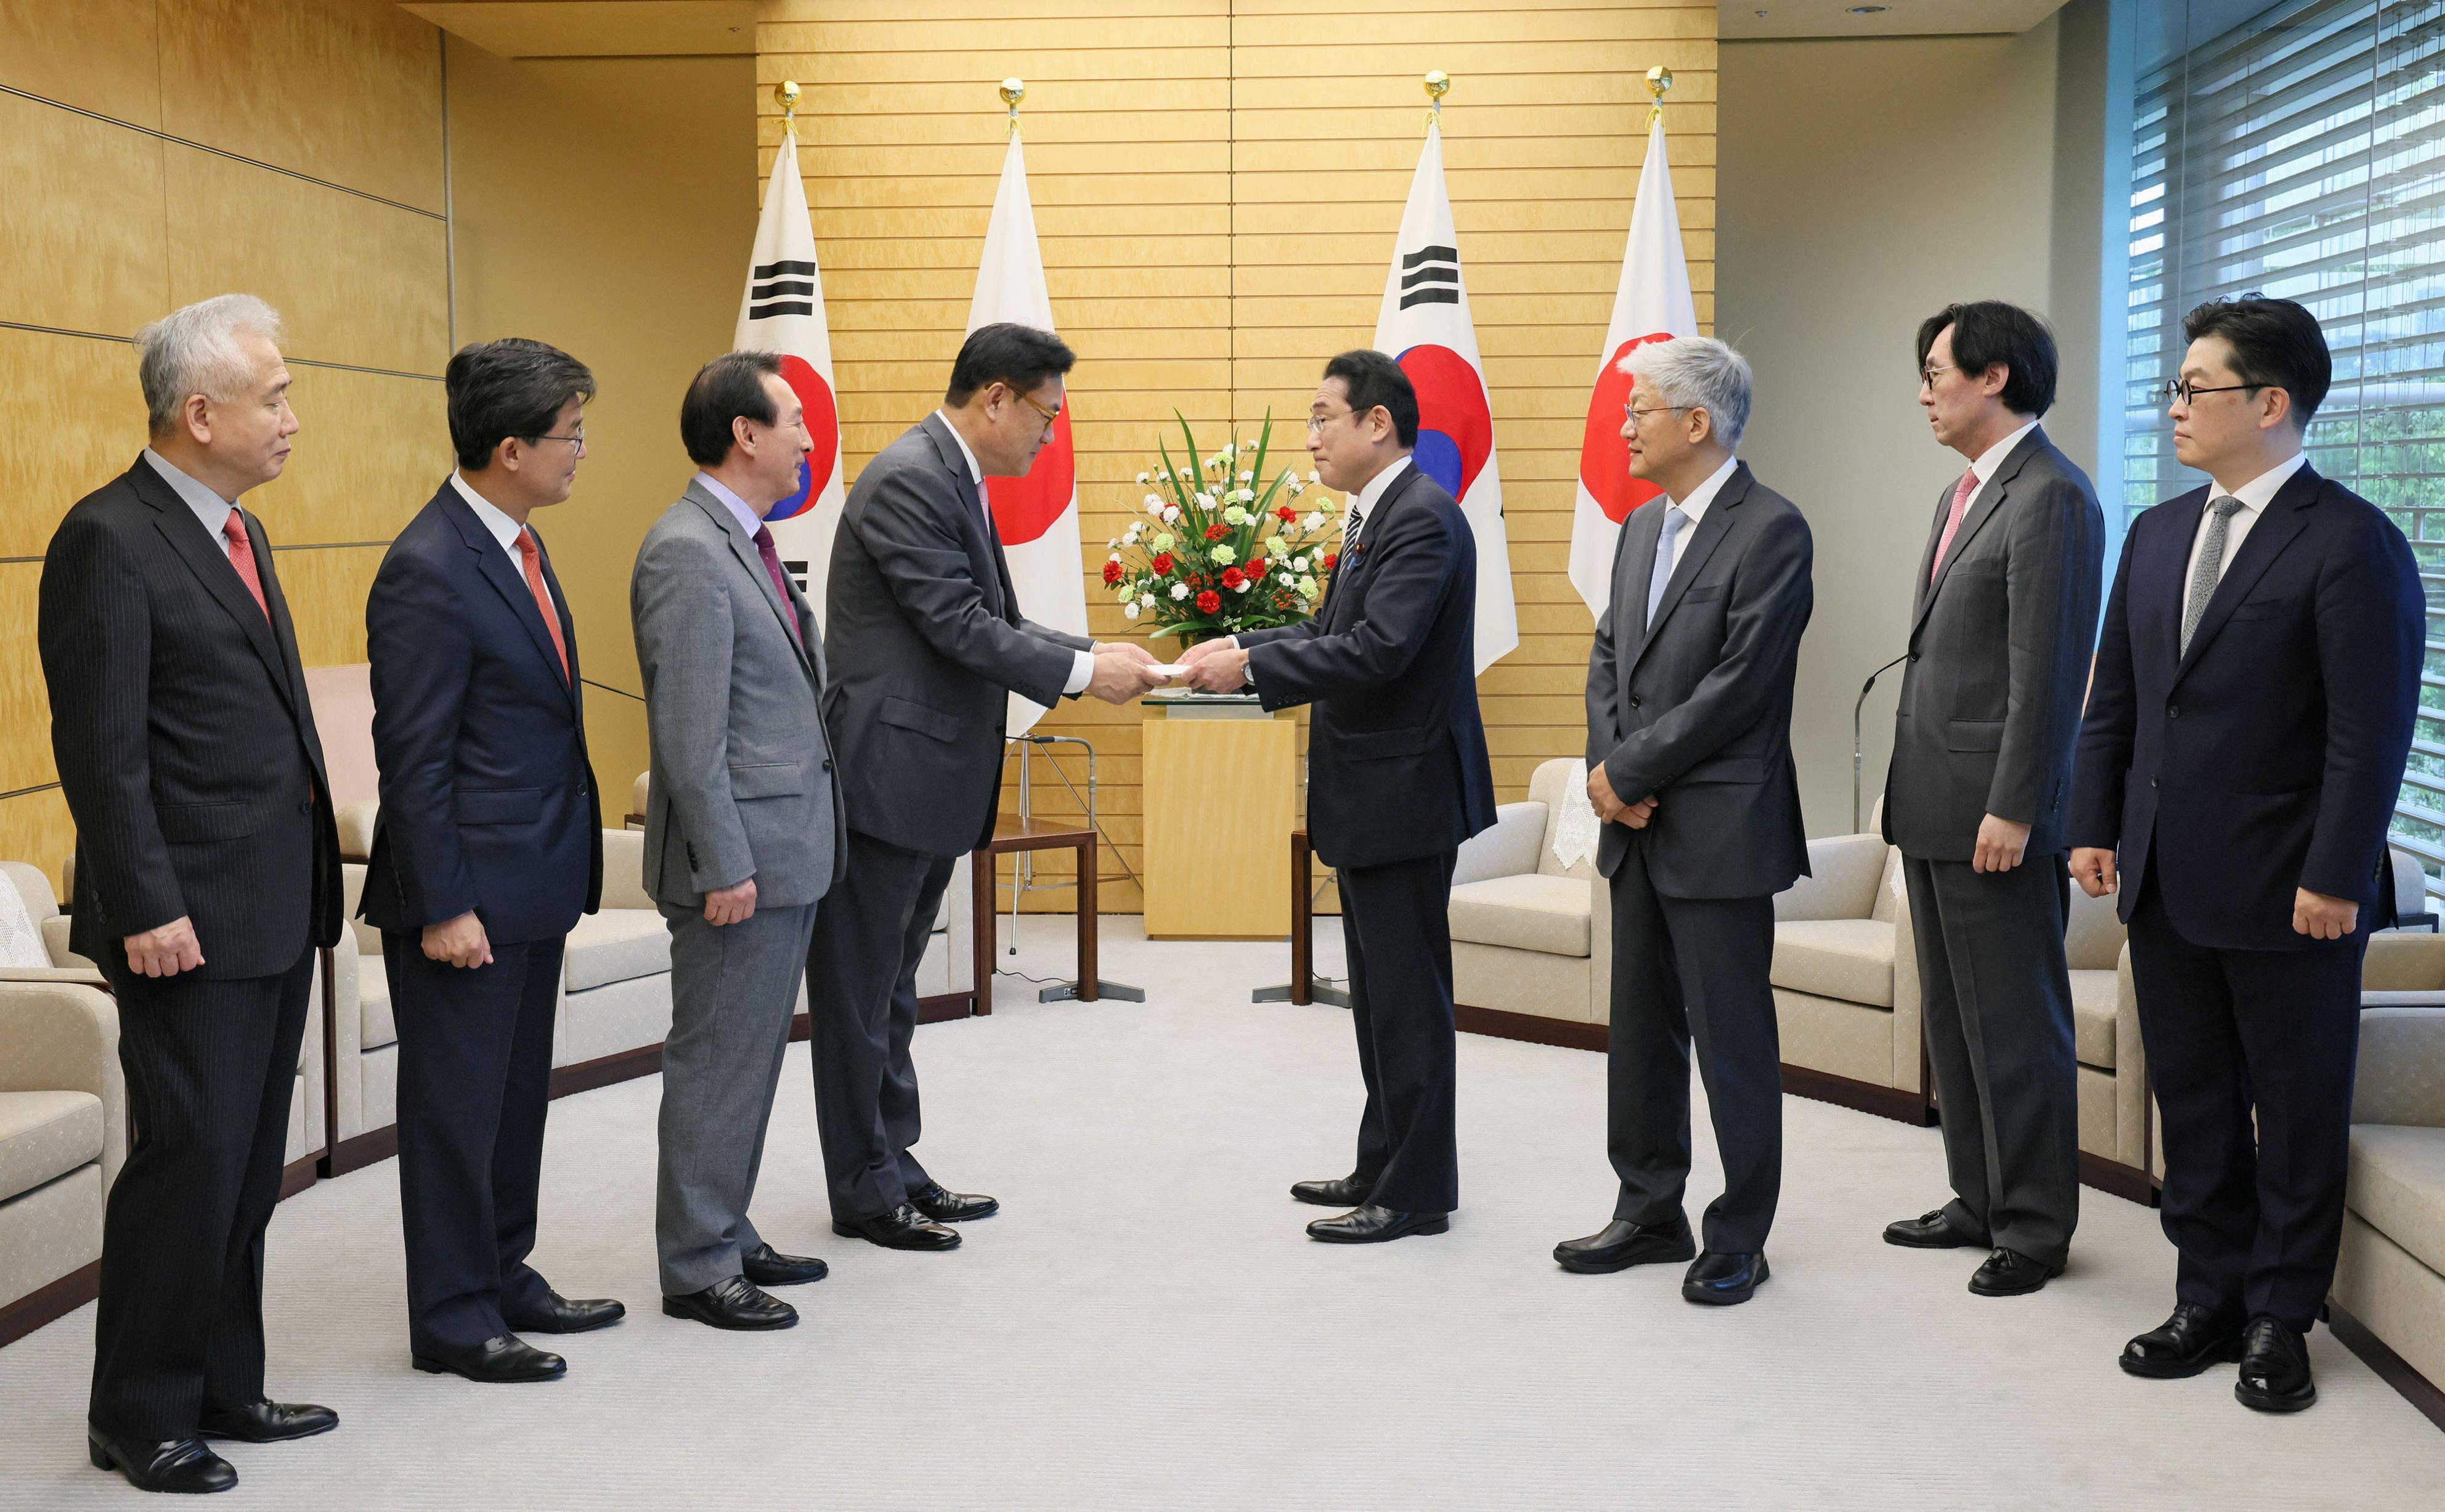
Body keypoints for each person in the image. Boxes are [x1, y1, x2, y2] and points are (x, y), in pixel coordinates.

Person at [2072, 296, 2420, 1413]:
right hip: (2166, 876)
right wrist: (2093, 821)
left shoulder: (2351, 539)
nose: (2174, 405)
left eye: (2195, 388)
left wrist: (2335, 872)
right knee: (2200, 1100)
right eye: (2175, 386)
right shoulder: (2160, 530)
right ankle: (2206, 1293)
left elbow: (2372, 732)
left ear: (2270, 404)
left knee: (2295, 1104)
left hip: (2291, 890)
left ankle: (2281, 1313)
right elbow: (2116, 698)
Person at [40, 295, 341, 1494]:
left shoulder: (238, 534)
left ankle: (227, 1380)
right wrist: (147, 902)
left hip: (268, 904)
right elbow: (101, 751)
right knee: (190, 1160)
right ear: (199, 411)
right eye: (274, 398)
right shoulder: (108, 538)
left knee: (245, 1159)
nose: (293, 420)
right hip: (183, 921)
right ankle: (140, 1413)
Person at [813, 323, 1160, 1251]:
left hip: (930, 773)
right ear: (996, 398)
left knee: (892, 985)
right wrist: (1088, 676)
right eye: (1047, 412)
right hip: (889, 772)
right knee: (859, 987)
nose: (1052, 434)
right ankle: (862, 1185)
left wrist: (1093, 651)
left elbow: (995, 620)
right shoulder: (911, 478)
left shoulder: (948, 474)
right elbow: (960, 627)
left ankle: (896, 1159)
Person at [1179, 349, 1495, 1244]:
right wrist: (1238, 647)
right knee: (1378, 993)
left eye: (1324, 417)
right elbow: (1330, 633)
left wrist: (1254, 666)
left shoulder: (1423, 520)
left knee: (1407, 996)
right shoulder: (1373, 517)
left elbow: (1379, 650)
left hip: (1406, 793)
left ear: (1378, 424)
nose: (1310, 435)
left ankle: (1419, 1189)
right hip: (1373, 794)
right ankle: (1383, 1159)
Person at [361, 338, 624, 1383]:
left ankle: (505, 1269)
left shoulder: (518, 541)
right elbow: (414, 760)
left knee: (516, 1102)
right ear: (509, 447)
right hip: (464, 898)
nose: (582, 451)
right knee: (454, 1113)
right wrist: (444, 903)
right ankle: (454, 1313)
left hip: (534, 881)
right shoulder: (427, 567)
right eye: (570, 434)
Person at [1553, 336, 1811, 1305]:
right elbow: (1607, 658)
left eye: (1639, 411)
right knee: (1641, 1032)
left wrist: (1633, 767)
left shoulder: (1773, 529)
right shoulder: (1635, 529)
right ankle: (1648, 1207)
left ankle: (1740, 1232)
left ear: (1696, 422)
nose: (1623, 426)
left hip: (1719, 827)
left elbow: (1740, 685)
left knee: (1732, 1037)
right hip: (1637, 822)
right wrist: (1607, 771)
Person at [1879, 302, 2104, 1296]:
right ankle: (1977, 1196)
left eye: (1938, 370)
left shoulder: (2053, 496)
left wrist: (2017, 807)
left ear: (1997, 375)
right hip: (1933, 803)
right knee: (1954, 1020)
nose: (1925, 390)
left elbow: (2048, 675)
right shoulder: (1961, 494)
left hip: (1995, 816)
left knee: (2015, 1025)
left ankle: (2036, 1222)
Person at [633, 351, 845, 1328]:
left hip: (783, 850)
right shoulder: (687, 549)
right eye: (794, 420)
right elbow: (689, 736)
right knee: (718, 1059)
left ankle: (726, 1223)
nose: (809, 438)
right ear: (744, 434)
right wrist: (724, 862)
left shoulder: (743, 541)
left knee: (752, 1056)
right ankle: (698, 1264)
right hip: (738, 867)